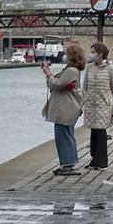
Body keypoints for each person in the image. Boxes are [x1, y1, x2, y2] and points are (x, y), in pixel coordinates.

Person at [42, 40, 87, 174]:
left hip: (66, 109)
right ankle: (69, 163)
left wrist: (47, 73)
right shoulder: (71, 70)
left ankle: (67, 164)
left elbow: (56, 84)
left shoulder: (71, 71)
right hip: (67, 108)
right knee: (66, 135)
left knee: (64, 136)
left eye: (67, 54)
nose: (65, 56)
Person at [80, 41, 113, 169]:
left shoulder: (110, 69)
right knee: (93, 132)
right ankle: (94, 160)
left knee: (101, 133)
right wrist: (82, 103)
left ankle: (102, 161)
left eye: (93, 52)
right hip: (91, 105)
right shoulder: (90, 68)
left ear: (100, 53)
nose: (91, 55)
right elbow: (85, 87)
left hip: (104, 105)